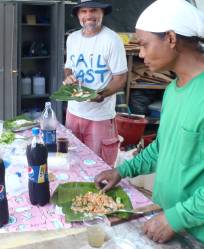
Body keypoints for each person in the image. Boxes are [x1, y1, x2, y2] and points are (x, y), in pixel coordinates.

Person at [94, 0, 204, 244]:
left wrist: (177, 218)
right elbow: (163, 147)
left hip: (195, 232)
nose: (140, 54)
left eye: (144, 45)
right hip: (166, 218)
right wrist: (122, 171)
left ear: (171, 39)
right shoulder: (173, 90)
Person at [63, 0, 127, 166]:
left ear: (102, 13)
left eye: (93, 10)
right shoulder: (72, 39)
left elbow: (120, 78)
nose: (88, 16)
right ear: (78, 15)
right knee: (72, 161)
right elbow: (69, 67)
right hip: (73, 113)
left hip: (99, 117)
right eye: (83, 11)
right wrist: (69, 77)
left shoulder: (112, 40)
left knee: (99, 166)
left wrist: (101, 94)